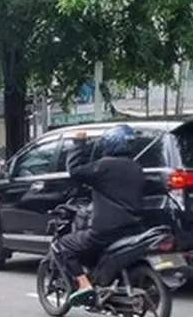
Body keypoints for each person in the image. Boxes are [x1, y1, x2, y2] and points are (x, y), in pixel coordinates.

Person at [55, 124, 147, 306]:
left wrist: (78, 144)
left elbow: (75, 171)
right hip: (134, 228)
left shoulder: (104, 166)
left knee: (64, 245)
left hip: (106, 231)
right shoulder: (136, 167)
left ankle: (84, 285)